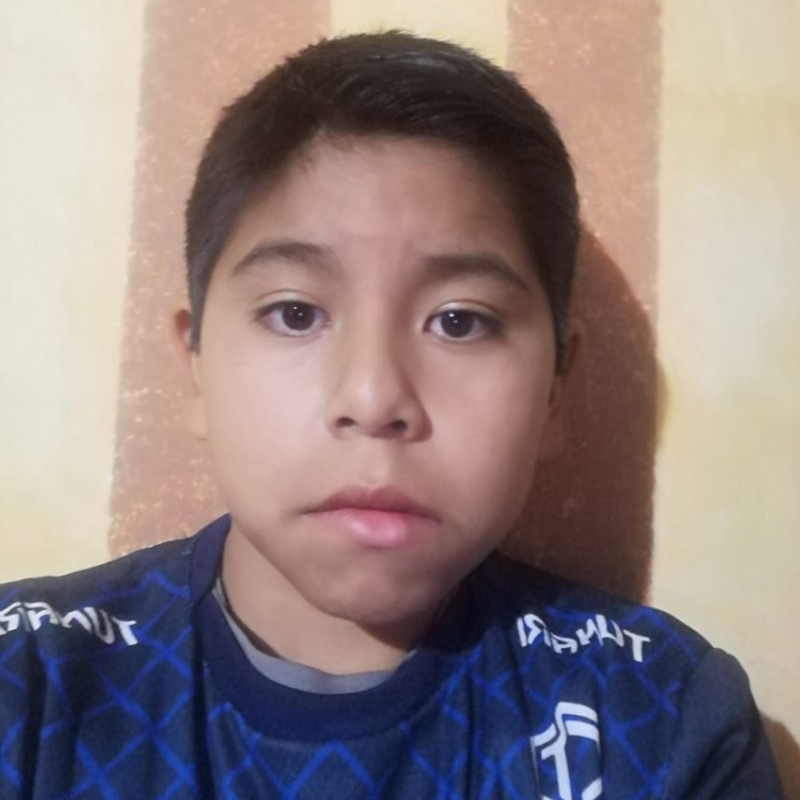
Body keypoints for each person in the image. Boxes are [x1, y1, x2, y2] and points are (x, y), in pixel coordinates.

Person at [0, 31, 782, 800]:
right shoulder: (27, 685)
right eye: (296, 314)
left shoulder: (659, 722)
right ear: (196, 366)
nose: (373, 400)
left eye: (460, 321)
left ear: (554, 389)